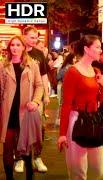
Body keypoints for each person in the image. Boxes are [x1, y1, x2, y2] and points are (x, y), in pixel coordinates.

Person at [57, 35, 103, 180]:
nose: (100, 50)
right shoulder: (73, 72)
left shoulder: (96, 71)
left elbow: (99, 102)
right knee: (78, 171)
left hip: (93, 121)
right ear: (86, 49)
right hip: (76, 121)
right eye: (97, 47)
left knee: (98, 169)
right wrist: (62, 134)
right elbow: (66, 104)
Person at [0, 36, 43, 180]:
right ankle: (9, 177)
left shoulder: (32, 65)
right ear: (9, 48)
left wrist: (36, 101)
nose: (15, 47)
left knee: (26, 148)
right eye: (12, 45)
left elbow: (39, 85)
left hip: (26, 111)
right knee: (7, 148)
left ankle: (30, 175)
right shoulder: (3, 66)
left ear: (23, 47)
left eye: (18, 45)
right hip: (8, 112)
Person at [15, 26, 48, 173]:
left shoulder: (39, 54)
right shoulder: (17, 54)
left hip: (36, 97)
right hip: (19, 98)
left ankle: (37, 157)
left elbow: (43, 76)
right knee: (19, 128)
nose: (34, 40)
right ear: (24, 36)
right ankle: (20, 158)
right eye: (32, 37)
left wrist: (45, 95)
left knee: (39, 128)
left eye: (36, 38)